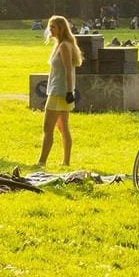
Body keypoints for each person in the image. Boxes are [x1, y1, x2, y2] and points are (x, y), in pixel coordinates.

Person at [39, 14, 83, 167]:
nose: (50, 29)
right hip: (58, 89)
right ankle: (66, 162)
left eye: (53, 27)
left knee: (47, 128)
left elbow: (68, 70)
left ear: (61, 28)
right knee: (63, 126)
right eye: (49, 26)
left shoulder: (64, 46)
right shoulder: (59, 44)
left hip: (59, 91)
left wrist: (70, 91)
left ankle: (41, 162)